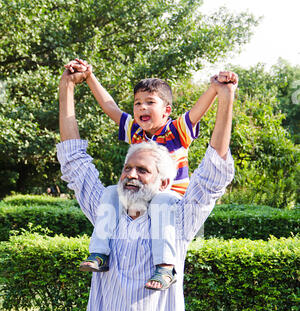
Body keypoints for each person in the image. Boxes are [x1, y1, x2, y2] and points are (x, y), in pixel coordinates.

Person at [57, 65, 237, 311]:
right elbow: (74, 161)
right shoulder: (105, 211)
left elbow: (212, 175)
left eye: (143, 169)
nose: (131, 175)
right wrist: (67, 89)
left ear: (164, 182)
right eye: (127, 168)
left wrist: (226, 101)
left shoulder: (177, 218)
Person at [64, 58, 237, 290]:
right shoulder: (135, 131)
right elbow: (110, 107)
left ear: (166, 110)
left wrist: (216, 89)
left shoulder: (176, 131)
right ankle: (99, 253)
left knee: (161, 206)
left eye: (149, 102)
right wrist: (89, 77)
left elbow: (197, 111)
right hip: (140, 196)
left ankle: (165, 266)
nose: (142, 108)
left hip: (170, 197)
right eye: (137, 103)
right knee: (109, 193)